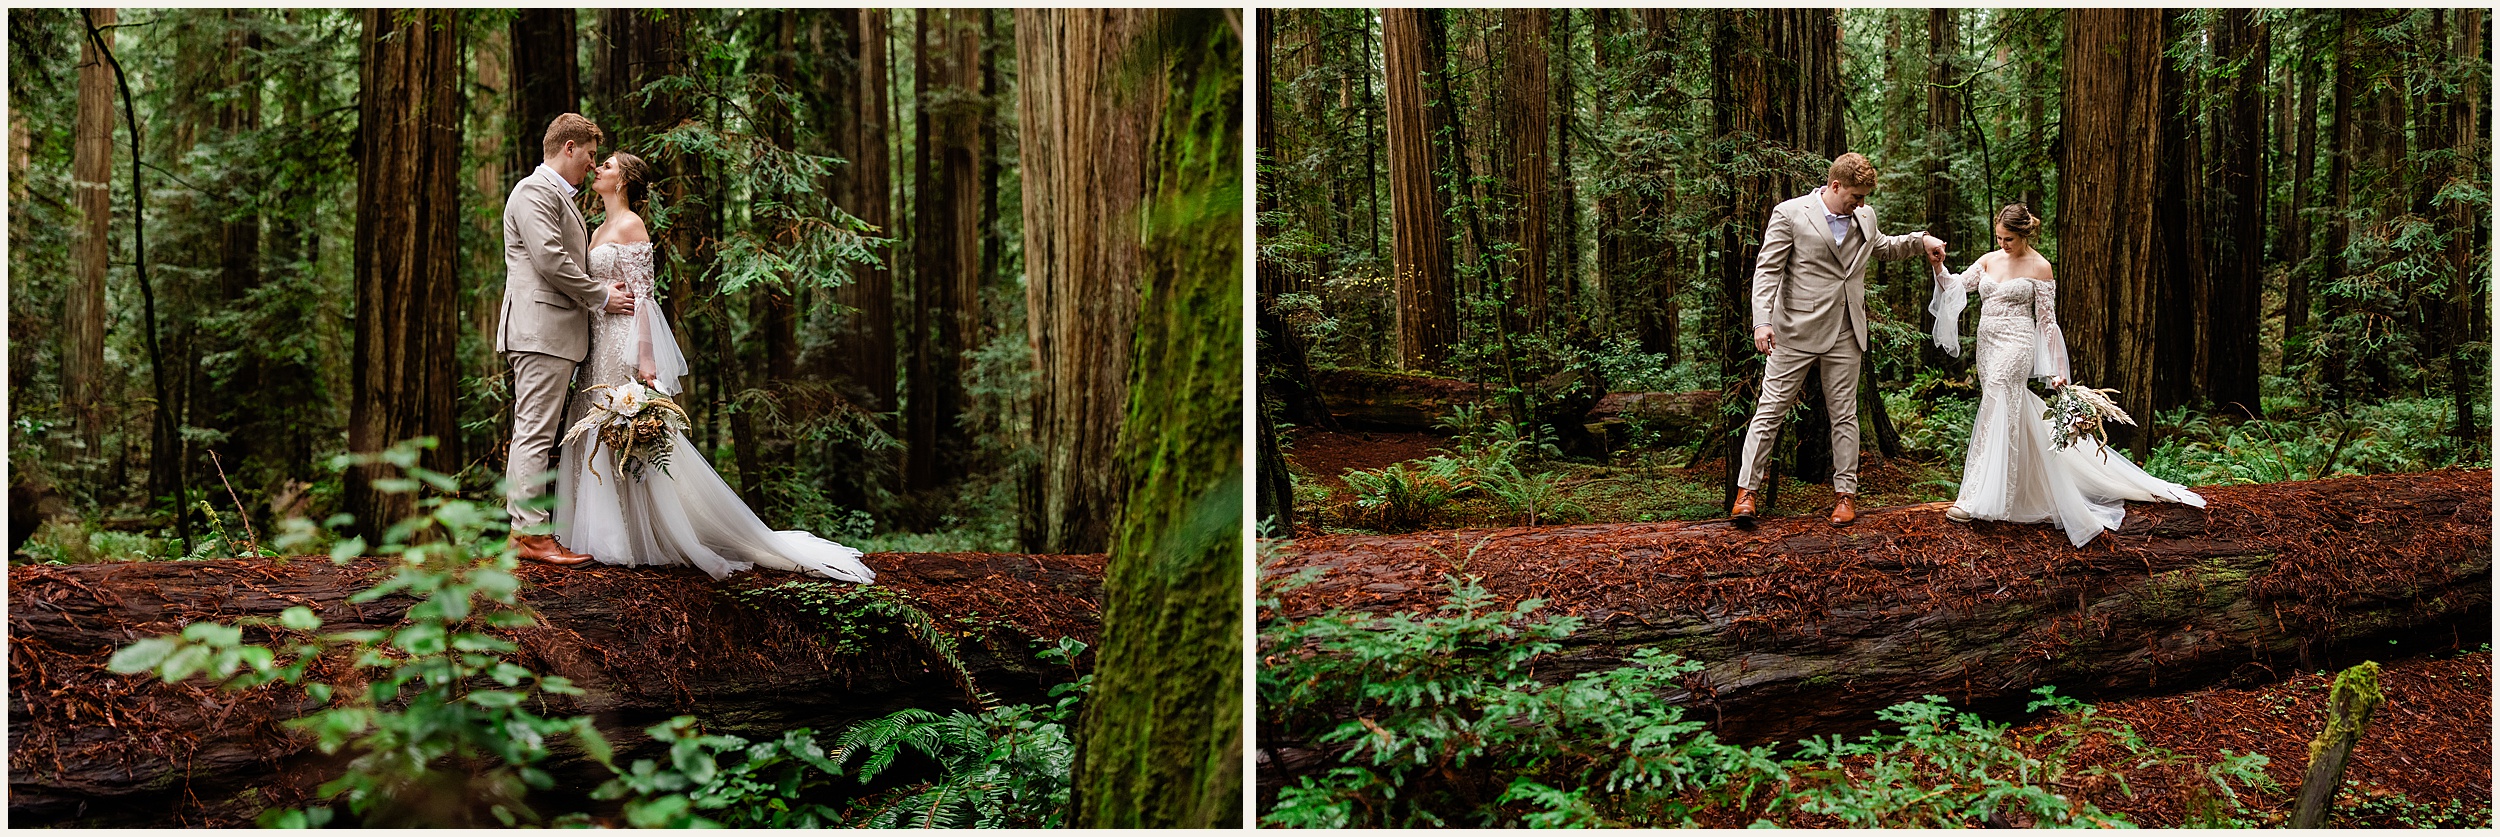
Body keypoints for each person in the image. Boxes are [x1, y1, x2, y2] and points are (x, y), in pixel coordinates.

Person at [548, 151, 875, 583]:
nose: (598, 169)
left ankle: (635, 535)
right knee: (595, 430)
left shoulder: (630, 225)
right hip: (596, 343)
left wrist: (646, 362)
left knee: (623, 431)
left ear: (624, 179)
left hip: (622, 343)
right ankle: (594, 535)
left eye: (606, 165)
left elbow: (644, 298)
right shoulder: (597, 228)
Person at [1926, 203, 2204, 546]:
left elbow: (2046, 322)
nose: (2003, 244)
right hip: (1988, 344)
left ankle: (1976, 497)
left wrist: (2057, 369)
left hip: (2017, 343)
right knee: (2004, 406)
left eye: (2009, 238)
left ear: (2024, 234)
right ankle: (2014, 491)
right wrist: (1939, 265)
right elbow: (1954, 289)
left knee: (1998, 400)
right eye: (1998, 237)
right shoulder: (1987, 260)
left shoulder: (2040, 267)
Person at [1731, 153, 1946, 528]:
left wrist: (1921, 240)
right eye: (1855, 196)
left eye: (1864, 198)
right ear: (1834, 186)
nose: (1861, 204)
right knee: (1770, 412)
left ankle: (1845, 495)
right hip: (1794, 329)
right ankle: (1746, 492)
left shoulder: (1866, 216)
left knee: (1844, 415)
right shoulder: (1790, 214)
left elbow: (1883, 247)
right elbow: (1767, 272)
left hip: (1847, 329)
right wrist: (1761, 322)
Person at [499, 113, 636, 565]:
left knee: (535, 430)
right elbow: (550, 259)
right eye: (591, 155)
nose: (593, 166)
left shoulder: (557, 195)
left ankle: (523, 534)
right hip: (541, 330)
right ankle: (530, 534)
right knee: (535, 432)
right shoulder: (534, 191)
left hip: (551, 332)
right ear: (569, 147)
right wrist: (600, 296)